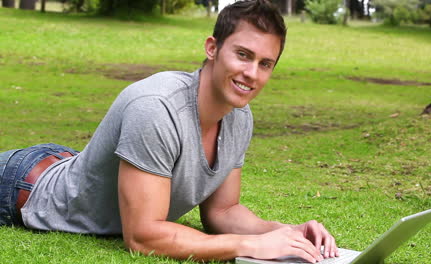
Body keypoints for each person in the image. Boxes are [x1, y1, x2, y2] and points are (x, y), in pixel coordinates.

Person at [0, 0, 339, 262]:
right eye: (243, 55)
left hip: (65, 163)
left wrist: (285, 233)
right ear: (212, 48)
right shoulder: (157, 107)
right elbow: (143, 236)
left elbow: (222, 212)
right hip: (24, 186)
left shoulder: (240, 116)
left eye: (265, 64)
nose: (252, 73)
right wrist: (251, 245)